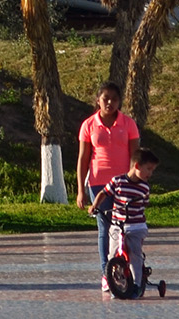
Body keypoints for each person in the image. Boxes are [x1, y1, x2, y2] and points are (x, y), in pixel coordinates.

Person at [76, 82, 141, 293]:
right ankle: (106, 273)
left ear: (120, 101)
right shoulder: (88, 125)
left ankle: (124, 270)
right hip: (97, 183)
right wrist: (80, 190)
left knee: (123, 228)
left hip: (123, 184)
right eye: (105, 98)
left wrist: (136, 182)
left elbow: (135, 156)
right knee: (105, 228)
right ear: (98, 100)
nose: (110, 103)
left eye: (114, 98)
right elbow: (83, 158)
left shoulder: (128, 124)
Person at [92, 147, 163, 298]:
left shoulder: (144, 187)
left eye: (152, 170)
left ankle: (137, 285)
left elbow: (145, 204)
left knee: (134, 255)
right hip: (117, 226)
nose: (150, 173)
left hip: (136, 227)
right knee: (112, 255)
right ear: (136, 166)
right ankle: (115, 284)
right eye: (148, 169)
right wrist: (94, 206)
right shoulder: (117, 181)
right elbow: (104, 193)